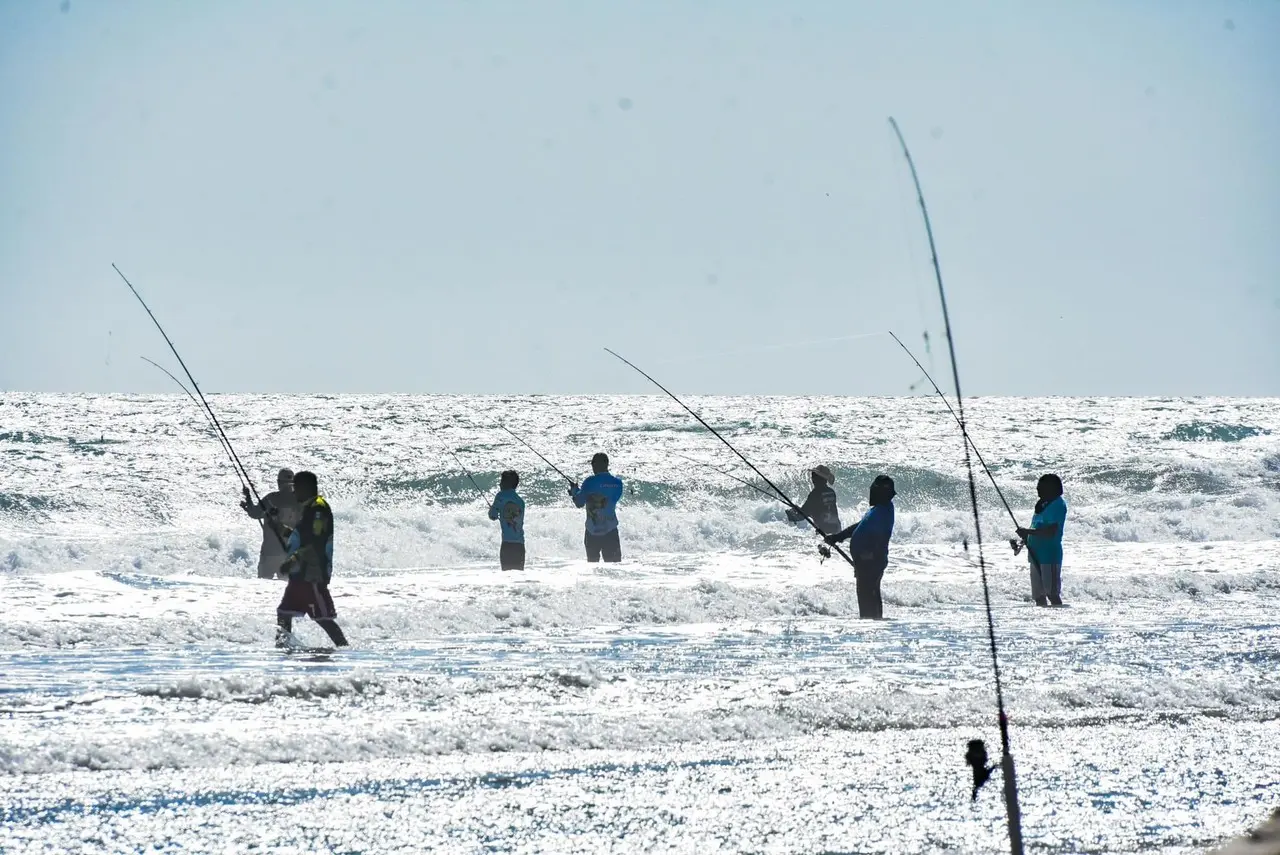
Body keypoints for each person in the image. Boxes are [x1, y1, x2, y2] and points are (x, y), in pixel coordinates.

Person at [275, 470, 349, 647]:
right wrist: (281, 528)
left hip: (312, 574)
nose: (293, 493)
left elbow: (315, 543)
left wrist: (292, 560)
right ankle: (282, 650)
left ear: (305, 487)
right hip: (299, 575)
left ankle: (345, 650)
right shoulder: (309, 508)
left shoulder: (318, 509)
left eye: (296, 489)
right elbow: (302, 537)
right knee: (284, 613)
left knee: (324, 619)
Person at [825, 475, 896, 619]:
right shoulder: (878, 510)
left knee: (868, 595)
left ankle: (871, 625)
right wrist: (838, 537)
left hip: (871, 562)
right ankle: (874, 624)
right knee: (870, 593)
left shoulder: (884, 511)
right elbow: (860, 527)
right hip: (866, 562)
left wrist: (871, 555)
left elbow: (882, 537)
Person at [241, 468, 302, 579]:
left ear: (279, 483)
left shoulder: (271, 498)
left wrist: (248, 497)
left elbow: (255, 513)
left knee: (263, 589)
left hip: (269, 553)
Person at [1016, 474, 1067, 607]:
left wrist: (1027, 531)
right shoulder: (1042, 505)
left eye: (1041, 487)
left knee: (1052, 594)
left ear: (1051, 488)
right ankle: (1044, 625)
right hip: (1035, 555)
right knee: (1039, 596)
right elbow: (1036, 528)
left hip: (1049, 556)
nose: (1037, 489)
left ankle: (1059, 621)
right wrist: (1024, 539)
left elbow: (1050, 532)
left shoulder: (1057, 505)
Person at [568, 452, 624, 563]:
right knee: (615, 569)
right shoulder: (618, 483)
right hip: (611, 531)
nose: (592, 466)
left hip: (592, 532)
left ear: (595, 464)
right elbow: (611, 499)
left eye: (593, 463)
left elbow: (579, 503)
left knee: (593, 569)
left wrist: (575, 492)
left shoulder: (589, 482)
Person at [786, 465, 842, 535]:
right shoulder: (831, 492)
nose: (812, 478)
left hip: (824, 533)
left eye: (813, 476)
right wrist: (798, 509)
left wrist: (790, 514)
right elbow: (821, 509)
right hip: (837, 529)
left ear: (817, 479)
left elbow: (803, 515)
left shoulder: (815, 494)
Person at [489, 470, 526, 571]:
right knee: (518, 579)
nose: (500, 484)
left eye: (502, 481)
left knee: (507, 577)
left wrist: (494, 511)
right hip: (520, 546)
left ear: (507, 483)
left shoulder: (501, 495)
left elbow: (492, 516)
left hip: (507, 545)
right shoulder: (520, 501)